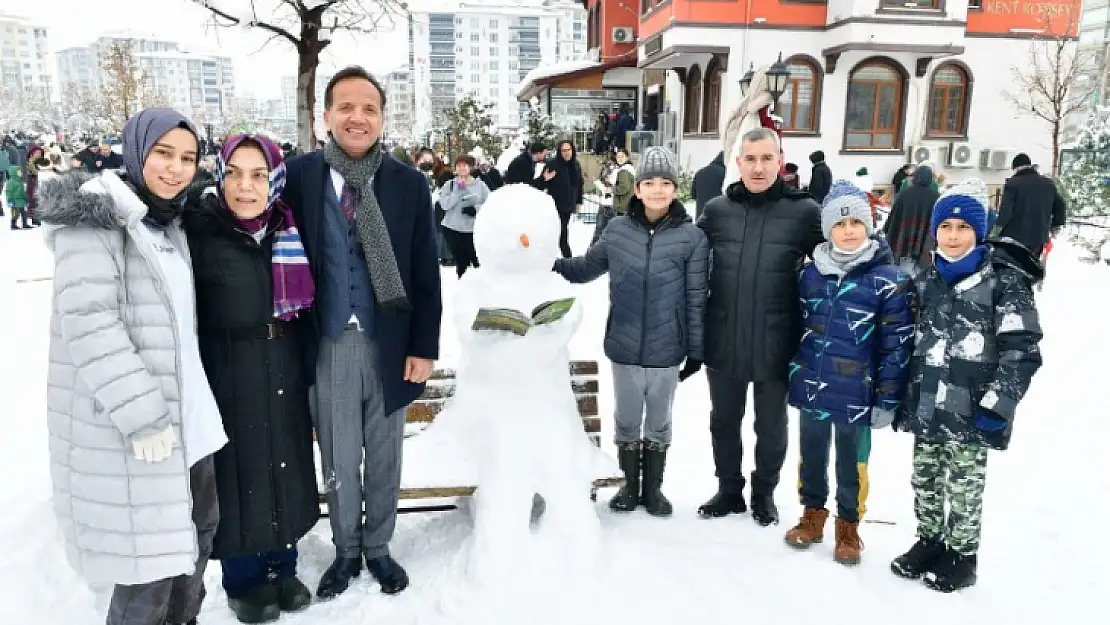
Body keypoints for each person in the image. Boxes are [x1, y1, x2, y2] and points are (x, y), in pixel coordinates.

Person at [38, 108, 226, 625]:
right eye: (163, 153)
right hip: (139, 430)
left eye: (187, 158)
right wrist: (142, 415)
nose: (175, 168)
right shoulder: (97, 219)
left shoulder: (169, 223)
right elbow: (89, 322)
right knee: (148, 571)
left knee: (195, 542)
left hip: (192, 425)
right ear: (136, 150)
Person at [281, 65, 442, 600]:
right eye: (346, 107)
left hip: (390, 341)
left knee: (385, 451)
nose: (357, 117)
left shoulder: (409, 183)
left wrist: (423, 346)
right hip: (327, 340)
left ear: (381, 118)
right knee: (338, 452)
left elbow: (425, 271)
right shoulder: (298, 176)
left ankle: (379, 546)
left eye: (368, 108)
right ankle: (346, 548)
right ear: (325, 116)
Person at [182, 133, 319, 623]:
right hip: (227, 366)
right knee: (237, 471)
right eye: (235, 173)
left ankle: (282, 568)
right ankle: (243, 580)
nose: (245, 187)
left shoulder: (286, 228)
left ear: (274, 181)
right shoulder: (200, 229)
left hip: (282, 358)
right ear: (220, 177)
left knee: (284, 460)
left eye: (258, 175)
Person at [889, 179, 1043, 592]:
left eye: (963, 228)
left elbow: (1023, 350)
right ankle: (929, 541)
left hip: (974, 409)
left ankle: (962, 555)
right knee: (925, 478)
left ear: (979, 232)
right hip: (927, 404)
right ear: (934, 232)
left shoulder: (1004, 282)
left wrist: (1000, 403)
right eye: (946, 227)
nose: (953, 236)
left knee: (964, 484)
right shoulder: (925, 279)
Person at [554, 146, 708, 517]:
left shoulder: (692, 238)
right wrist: (542, 262)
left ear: (676, 189)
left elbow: (696, 297)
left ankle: (652, 490)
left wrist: (697, 350)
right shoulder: (617, 230)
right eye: (649, 182)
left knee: (658, 420)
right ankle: (628, 488)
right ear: (636, 189)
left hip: (667, 349)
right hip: (623, 345)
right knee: (626, 418)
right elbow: (585, 268)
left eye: (666, 182)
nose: (658, 189)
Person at [696, 128, 823, 525]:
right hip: (724, 335)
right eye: (750, 159)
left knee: (771, 425)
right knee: (723, 421)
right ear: (738, 163)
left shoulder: (804, 212)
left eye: (767, 158)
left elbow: (836, 258)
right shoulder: (717, 211)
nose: (758, 167)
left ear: (779, 161)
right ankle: (729, 489)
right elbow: (686, 257)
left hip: (777, 339)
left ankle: (764, 492)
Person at [784, 180, 915, 565]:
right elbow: (794, 326)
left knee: (851, 460)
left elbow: (897, 345)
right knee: (810, 453)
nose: (848, 231)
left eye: (856, 223)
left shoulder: (889, 281)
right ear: (828, 230)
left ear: (869, 226)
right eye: (839, 225)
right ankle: (812, 514)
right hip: (812, 384)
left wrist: (887, 398)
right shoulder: (809, 275)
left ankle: (848, 524)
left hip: (859, 391)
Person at [995, 152, 1067, 257]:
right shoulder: (1048, 184)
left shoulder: (1013, 184)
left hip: (1013, 239)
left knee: (1013, 267)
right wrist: (1056, 225)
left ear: (1016, 168)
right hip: (1038, 238)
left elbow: (1006, 211)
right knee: (1031, 266)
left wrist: (996, 230)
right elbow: (1060, 206)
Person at [438, 154, 490, 277]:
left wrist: (475, 209)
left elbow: (489, 203)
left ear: (470, 167)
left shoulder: (480, 185)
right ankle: (464, 289)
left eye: (464, 165)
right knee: (462, 263)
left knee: (477, 262)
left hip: (473, 230)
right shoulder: (450, 185)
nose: (461, 168)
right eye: (458, 165)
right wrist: (457, 192)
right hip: (453, 229)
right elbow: (444, 205)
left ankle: (482, 289)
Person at [884, 165, 940, 277]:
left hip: (904, 237)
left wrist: (887, 228)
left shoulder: (905, 193)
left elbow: (894, 215)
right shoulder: (935, 197)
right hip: (923, 240)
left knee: (902, 270)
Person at [532, 139, 583, 258]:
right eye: (563, 150)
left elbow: (579, 184)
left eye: (568, 150)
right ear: (559, 152)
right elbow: (538, 185)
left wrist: (579, 201)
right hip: (556, 206)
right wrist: (545, 179)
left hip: (569, 206)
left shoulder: (576, 165)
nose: (566, 153)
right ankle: (568, 260)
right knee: (562, 234)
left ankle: (556, 259)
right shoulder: (552, 165)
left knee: (561, 233)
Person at [591, 148, 635, 245]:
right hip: (616, 205)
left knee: (602, 232)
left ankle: (593, 254)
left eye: (622, 156)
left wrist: (611, 190)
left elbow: (623, 187)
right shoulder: (621, 169)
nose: (619, 158)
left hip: (614, 205)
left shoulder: (624, 171)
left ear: (627, 157)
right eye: (618, 156)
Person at [691, 151, 726, 220]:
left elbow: (693, 195)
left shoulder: (700, 172)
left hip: (701, 216)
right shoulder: (725, 174)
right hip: (718, 218)